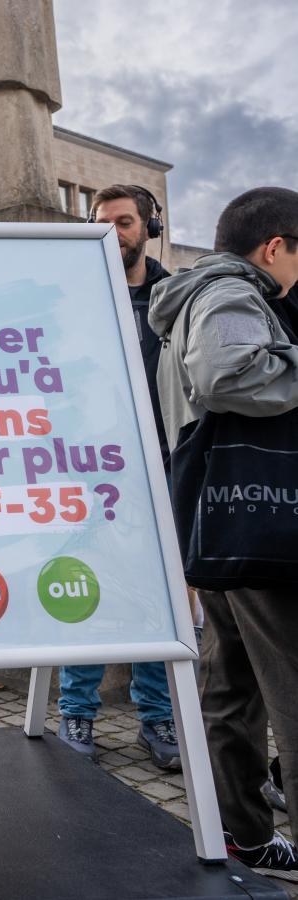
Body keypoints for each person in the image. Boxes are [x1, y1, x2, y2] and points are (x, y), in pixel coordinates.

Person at [148, 186, 298, 879]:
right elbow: (227, 375)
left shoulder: (195, 297)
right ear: (275, 247)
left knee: (232, 686)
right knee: (286, 689)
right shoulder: (232, 293)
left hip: (224, 522)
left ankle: (241, 830)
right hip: (261, 525)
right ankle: (245, 827)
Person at [57, 185, 180, 770]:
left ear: (148, 227)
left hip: (161, 468)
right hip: (87, 471)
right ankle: (76, 708)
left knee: (155, 596)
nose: (113, 231)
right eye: (102, 222)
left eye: (125, 221)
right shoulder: (76, 295)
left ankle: (156, 717)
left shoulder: (176, 297)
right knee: (86, 587)